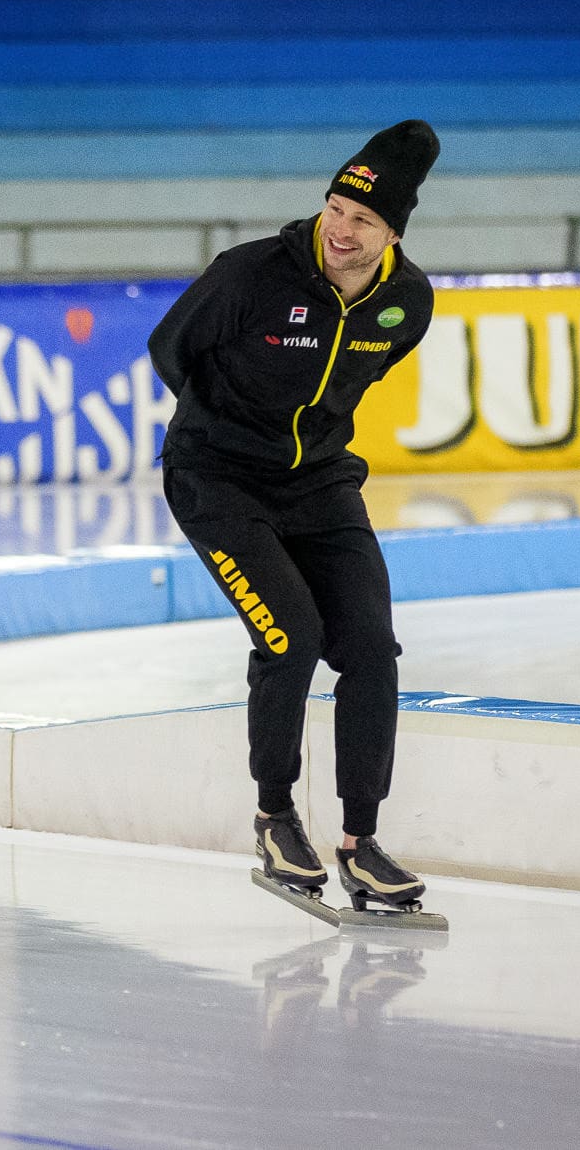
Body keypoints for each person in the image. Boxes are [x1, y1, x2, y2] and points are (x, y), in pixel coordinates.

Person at [148, 120, 439, 914]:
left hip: (320, 486)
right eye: (336, 207)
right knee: (292, 637)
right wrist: (224, 431)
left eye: (365, 221)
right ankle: (275, 814)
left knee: (372, 648)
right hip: (218, 482)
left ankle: (360, 841)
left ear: (393, 234)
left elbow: (359, 380)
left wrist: (302, 448)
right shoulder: (251, 275)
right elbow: (169, 347)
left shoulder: (406, 303)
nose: (342, 230)